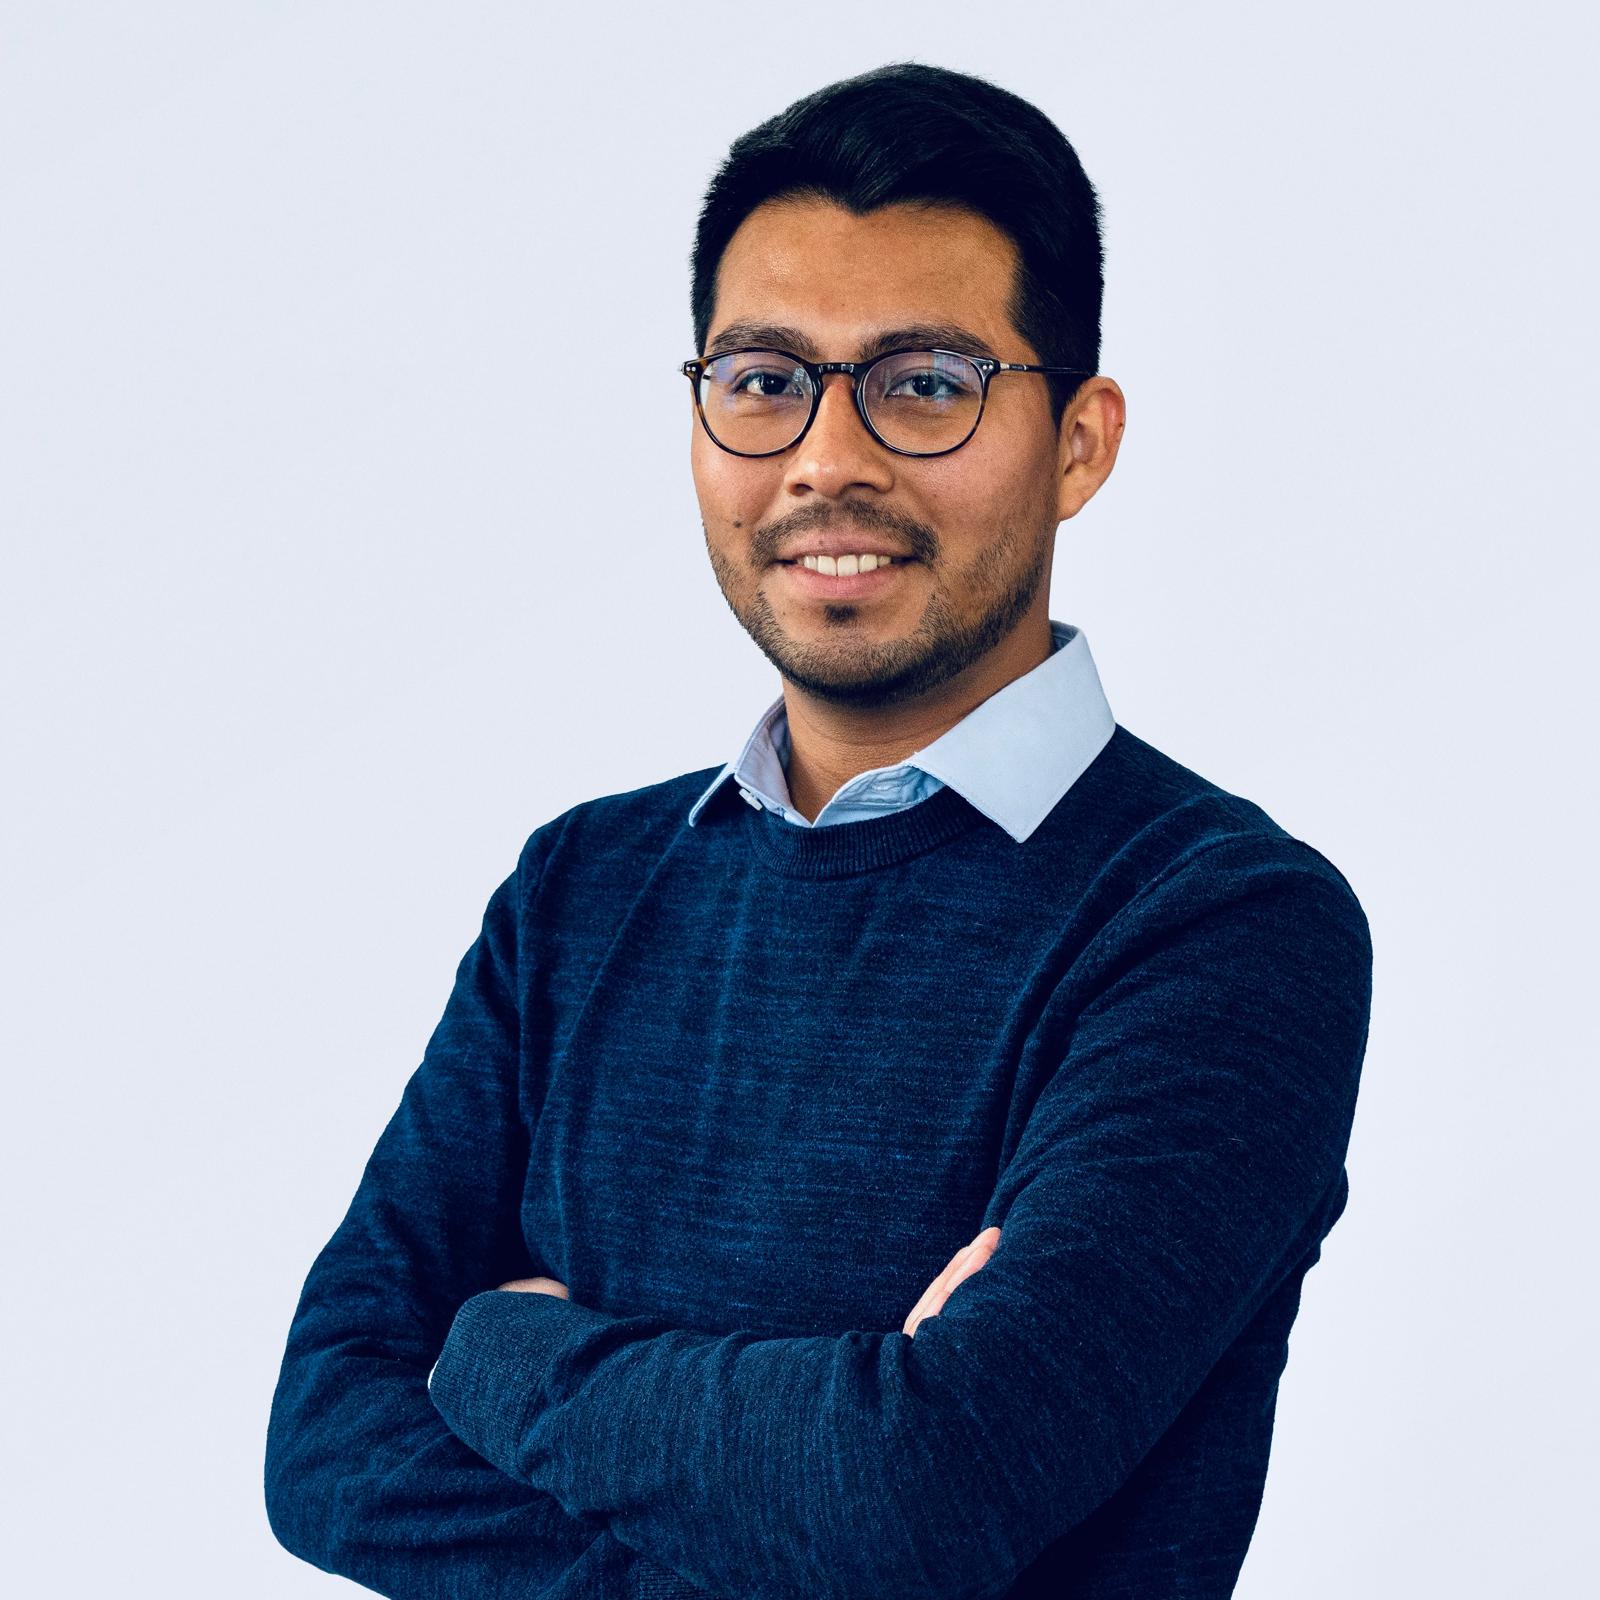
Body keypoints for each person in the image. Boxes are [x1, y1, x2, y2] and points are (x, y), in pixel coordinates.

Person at [265, 60, 1373, 1600]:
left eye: (924, 382)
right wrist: (815, 1453)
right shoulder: (577, 893)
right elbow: (323, 1437)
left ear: (1079, 441)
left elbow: (920, 1493)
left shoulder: (1221, 925)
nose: (827, 458)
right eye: (763, 379)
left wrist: (497, 1349)